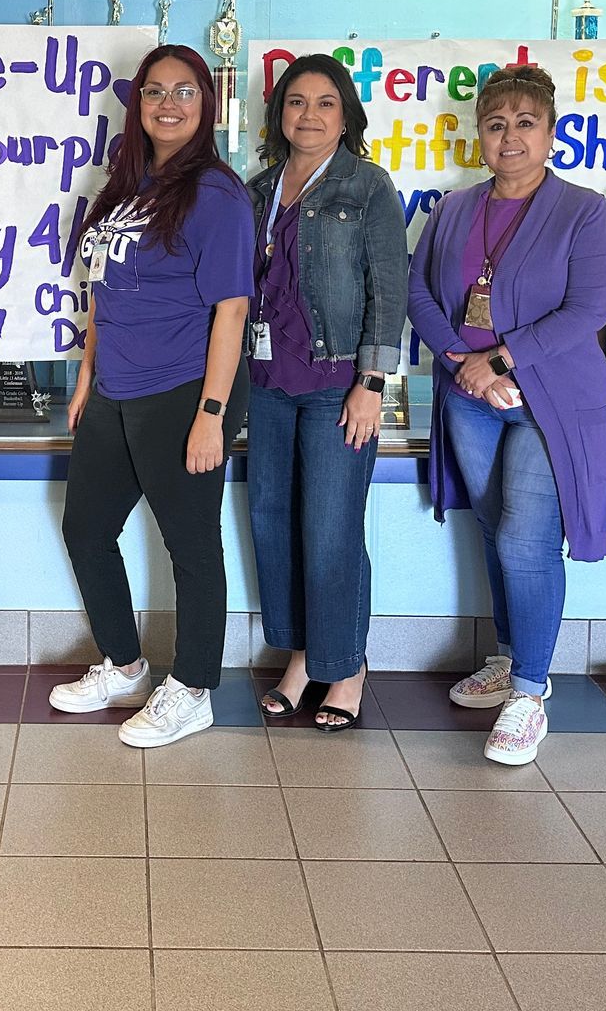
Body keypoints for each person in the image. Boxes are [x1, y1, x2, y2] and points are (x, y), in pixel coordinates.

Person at [409, 64, 606, 765]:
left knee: (526, 542)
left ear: (552, 134)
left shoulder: (583, 212)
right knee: (495, 529)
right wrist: (458, 362)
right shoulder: (454, 209)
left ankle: (530, 694)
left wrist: (499, 360)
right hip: (469, 398)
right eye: (496, 124)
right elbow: (419, 293)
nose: (510, 137)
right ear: (479, 135)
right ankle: (508, 655)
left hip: (547, 400)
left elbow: (591, 307)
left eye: (525, 124)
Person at [51, 45, 253, 749]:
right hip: (115, 387)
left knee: (191, 547)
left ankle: (193, 689)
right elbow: (103, 291)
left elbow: (232, 310)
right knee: (86, 528)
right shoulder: (126, 185)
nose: (169, 103)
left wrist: (212, 414)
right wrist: (87, 376)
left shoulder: (218, 194)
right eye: (155, 91)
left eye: (185, 91)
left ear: (206, 104)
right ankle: (125, 664)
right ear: (137, 103)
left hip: (184, 389)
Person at [244, 54, 407, 731]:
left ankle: (345, 666)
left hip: (336, 383)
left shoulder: (367, 185)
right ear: (279, 113)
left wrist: (371, 383)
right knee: (272, 522)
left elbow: (388, 290)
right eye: (296, 102)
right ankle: (303, 657)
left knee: (330, 528)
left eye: (325, 103)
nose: (308, 115)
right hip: (266, 383)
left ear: (346, 117)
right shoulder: (258, 189)